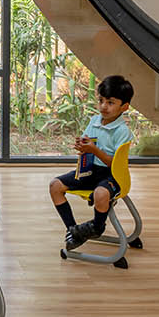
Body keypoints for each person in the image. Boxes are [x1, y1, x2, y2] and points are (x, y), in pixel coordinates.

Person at [49, 74, 134, 251]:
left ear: (124, 107)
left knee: (101, 194)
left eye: (110, 102)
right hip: (90, 170)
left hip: (112, 174)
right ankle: (73, 230)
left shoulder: (122, 131)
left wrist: (93, 149)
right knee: (55, 186)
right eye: (101, 100)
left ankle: (96, 227)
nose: (103, 106)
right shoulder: (94, 121)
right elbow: (88, 142)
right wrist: (82, 145)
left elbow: (114, 164)